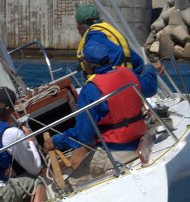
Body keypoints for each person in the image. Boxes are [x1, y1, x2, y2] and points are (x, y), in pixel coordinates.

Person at [44, 40, 147, 182]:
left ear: (86, 63)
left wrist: (55, 141)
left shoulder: (91, 90)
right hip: (140, 140)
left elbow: (83, 136)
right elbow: (150, 87)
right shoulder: (128, 73)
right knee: (78, 157)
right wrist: (151, 70)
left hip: (115, 150)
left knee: (71, 185)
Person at [74, 4, 163, 97]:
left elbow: (118, 51)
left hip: (121, 85)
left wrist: (113, 75)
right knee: (148, 79)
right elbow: (132, 57)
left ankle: (150, 68)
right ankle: (150, 67)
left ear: (77, 25)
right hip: (132, 80)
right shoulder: (106, 31)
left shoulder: (93, 37)